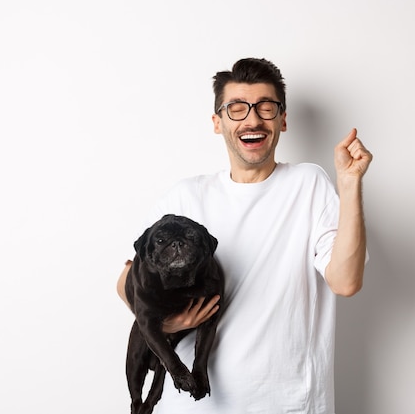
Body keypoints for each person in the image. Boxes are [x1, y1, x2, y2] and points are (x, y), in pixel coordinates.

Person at [116, 57, 372, 414]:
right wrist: (166, 322)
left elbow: (345, 282)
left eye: (266, 108)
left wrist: (349, 184)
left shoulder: (309, 184)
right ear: (217, 123)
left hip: (288, 404)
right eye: (236, 109)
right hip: (192, 405)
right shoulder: (185, 196)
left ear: (283, 119)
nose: (252, 119)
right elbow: (126, 279)